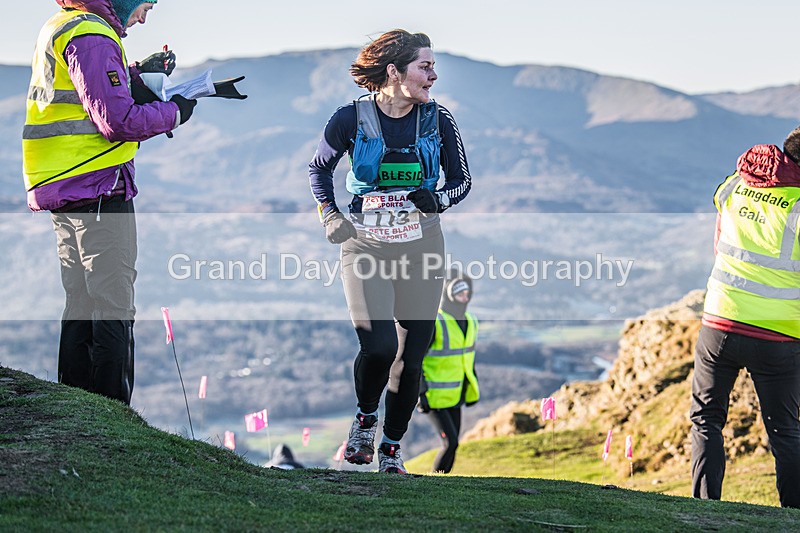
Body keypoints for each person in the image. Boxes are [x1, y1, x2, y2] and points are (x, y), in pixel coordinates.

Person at [308, 29, 472, 474]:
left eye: (433, 66)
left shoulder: (439, 119)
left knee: (411, 354)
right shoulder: (349, 118)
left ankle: (392, 451)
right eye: (425, 66)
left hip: (422, 246)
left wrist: (437, 199)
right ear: (394, 71)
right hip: (365, 245)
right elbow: (318, 171)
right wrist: (331, 215)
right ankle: (365, 420)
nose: (433, 75)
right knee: (379, 346)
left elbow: (462, 182)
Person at [22, 0, 198, 405]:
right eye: (144, 5)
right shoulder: (93, 35)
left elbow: (88, 94)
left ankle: (76, 405)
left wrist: (136, 73)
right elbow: (117, 120)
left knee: (81, 301)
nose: (143, 16)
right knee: (114, 304)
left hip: (65, 187)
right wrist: (174, 113)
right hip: (98, 185)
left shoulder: (64, 24)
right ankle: (112, 412)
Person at [690, 128, 800, 509]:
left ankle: (704, 508)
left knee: (706, 419)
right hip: (780, 335)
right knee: (785, 430)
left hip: (720, 321)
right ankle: (793, 516)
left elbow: (721, 235)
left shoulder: (734, 185)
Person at [418, 272, 479, 474]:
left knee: (455, 445)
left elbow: (466, 359)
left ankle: (443, 483)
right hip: (433, 398)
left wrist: (471, 387)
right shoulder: (436, 322)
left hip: (456, 396)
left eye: (467, 292)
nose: (465, 296)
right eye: (459, 292)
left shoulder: (470, 322)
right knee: (450, 443)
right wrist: (420, 393)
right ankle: (435, 481)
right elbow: (415, 360)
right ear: (449, 294)